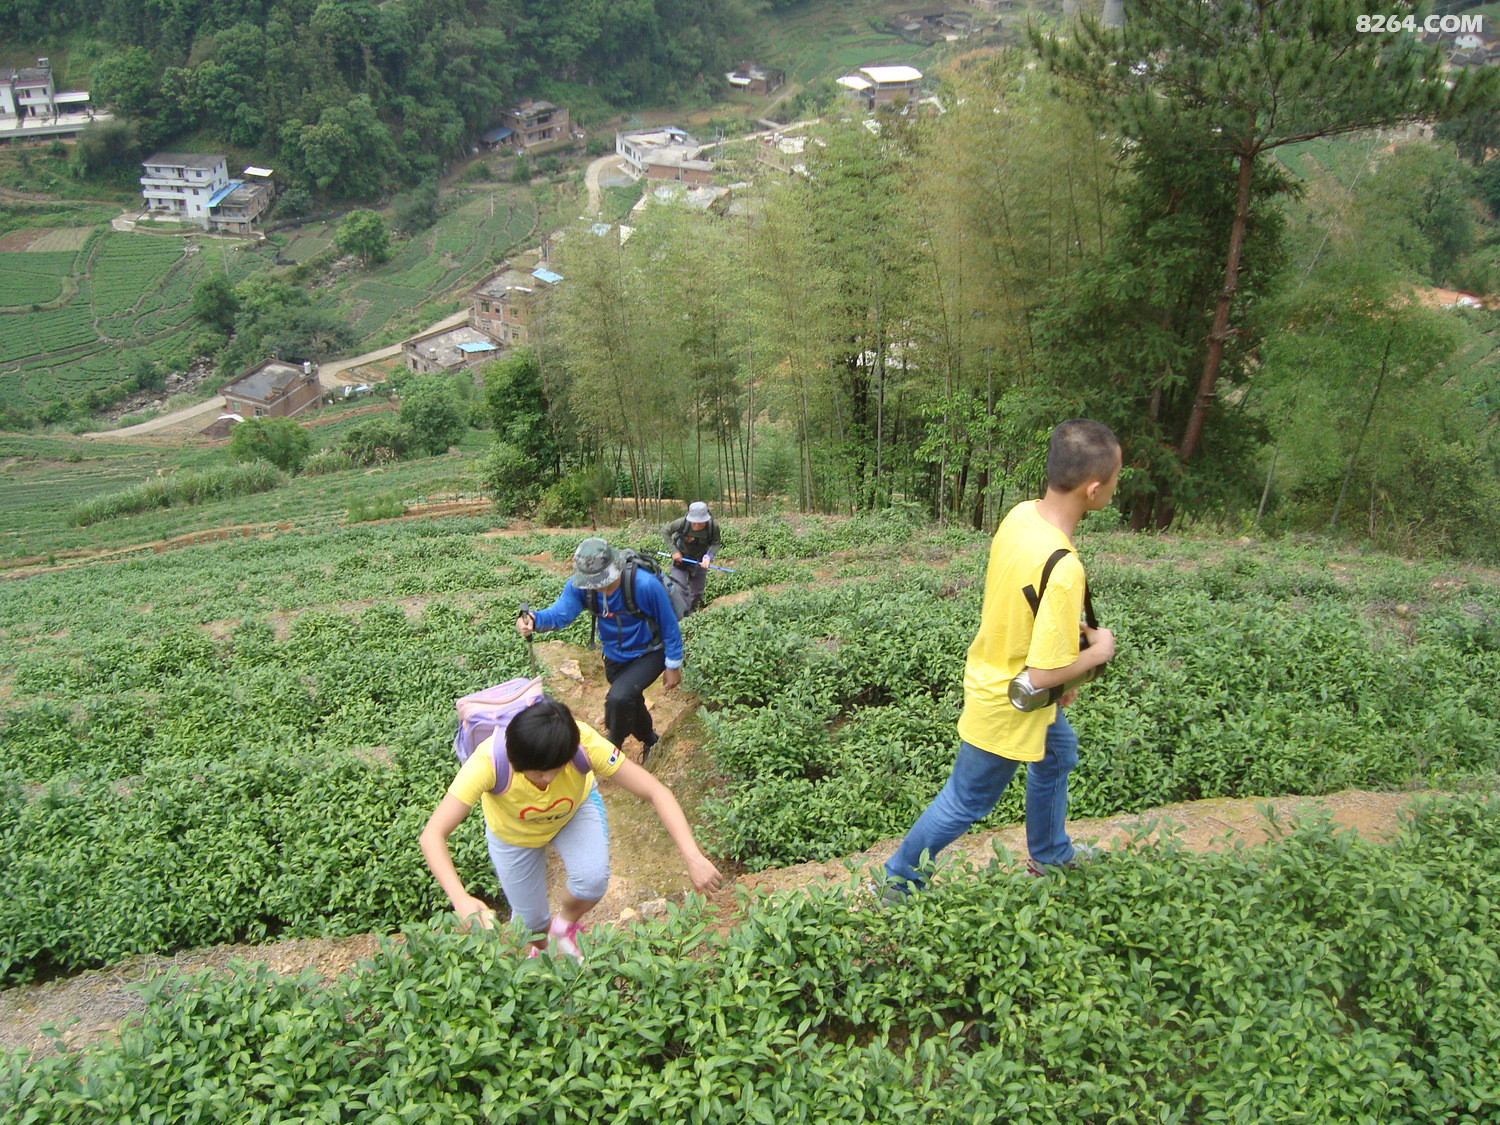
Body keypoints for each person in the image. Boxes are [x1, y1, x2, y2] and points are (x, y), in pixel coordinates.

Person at [882, 419, 1122, 892]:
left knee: (1058, 754)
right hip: (1009, 698)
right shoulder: (1064, 564)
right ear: (1094, 489)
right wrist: (1099, 652)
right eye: (1116, 478)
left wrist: (1058, 668)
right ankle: (899, 880)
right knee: (965, 800)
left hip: (999, 669)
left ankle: (1050, 855)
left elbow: (1022, 601)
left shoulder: (1022, 516)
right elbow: (1043, 673)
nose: (1115, 487)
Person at [420, 695, 721, 958]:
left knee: (592, 881)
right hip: (513, 835)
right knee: (531, 923)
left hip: (573, 813)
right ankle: (540, 945)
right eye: (535, 775)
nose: (546, 782)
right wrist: (460, 899)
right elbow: (433, 835)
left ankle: (564, 926)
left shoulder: (585, 743)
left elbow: (656, 791)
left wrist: (693, 857)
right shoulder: (487, 762)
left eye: (554, 771)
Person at [517, 537, 682, 759]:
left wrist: (673, 664)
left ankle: (613, 743)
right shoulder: (582, 587)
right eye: (593, 582)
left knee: (618, 698)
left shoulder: (644, 584)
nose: (599, 587)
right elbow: (560, 614)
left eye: (604, 581)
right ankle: (650, 740)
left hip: (650, 651)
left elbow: (669, 624)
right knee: (630, 699)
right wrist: (534, 620)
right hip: (614, 654)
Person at [662, 502, 720, 615]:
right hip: (681, 560)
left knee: (697, 592)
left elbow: (716, 543)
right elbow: (665, 531)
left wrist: (708, 556)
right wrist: (674, 551)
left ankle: (690, 610)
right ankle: (682, 614)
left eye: (700, 522)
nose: (697, 525)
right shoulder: (682, 523)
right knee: (679, 588)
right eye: (694, 522)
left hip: (699, 561)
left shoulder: (712, 527)